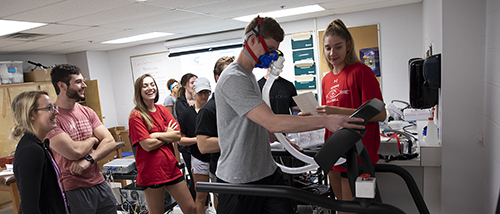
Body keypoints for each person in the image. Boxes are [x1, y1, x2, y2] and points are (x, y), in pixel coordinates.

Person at [214, 16, 365, 214]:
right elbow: (272, 121)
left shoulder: (248, 75)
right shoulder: (234, 78)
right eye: (268, 49)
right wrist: (326, 121)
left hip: (265, 172)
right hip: (240, 179)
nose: (271, 57)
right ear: (252, 40)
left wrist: (280, 138)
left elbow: (259, 125)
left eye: (274, 51)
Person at [319, 19, 386, 210]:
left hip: (357, 154)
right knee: (341, 208)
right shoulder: (327, 79)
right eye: (328, 48)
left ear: (348, 46)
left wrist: (335, 111)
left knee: (351, 210)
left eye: (338, 47)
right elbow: (329, 116)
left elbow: (380, 114)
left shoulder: (361, 71)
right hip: (334, 151)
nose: (332, 53)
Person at [46, 64, 118, 214]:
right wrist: (92, 140)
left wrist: (89, 160)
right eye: (78, 82)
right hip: (73, 188)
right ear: (62, 86)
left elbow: (110, 141)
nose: (84, 85)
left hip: (98, 181)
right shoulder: (51, 117)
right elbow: (74, 152)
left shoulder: (87, 111)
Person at [128, 74, 196, 214]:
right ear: (138, 90)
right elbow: (147, 144)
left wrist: (157, 135)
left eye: (152, 84)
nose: (150, 88)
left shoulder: (163, 110)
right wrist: (167, 135)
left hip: (171, 167)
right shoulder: (136, 116)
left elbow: (177, 135)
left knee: (191, 208)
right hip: (151, 172)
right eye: (145, 85)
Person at [10, 91, 67, 214]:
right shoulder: (31, 151)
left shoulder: (41, 145)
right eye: (49, 108)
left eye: (54, 107)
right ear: (32, 115)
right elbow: (30, 207)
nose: (56, 112)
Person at [196, 56, 235, 211]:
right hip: (222, 170)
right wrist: (237, 140)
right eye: (229, 72)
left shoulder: (239, 102)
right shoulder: (209, 110)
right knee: (226, 208)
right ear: (218, 78)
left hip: (243, 168)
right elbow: (204, 145)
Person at [178, 77, 213, 214]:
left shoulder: (213, 110)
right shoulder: (187, 114)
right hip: (198, 158)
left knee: (219, 193)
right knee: (201, 196)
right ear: (194, 93)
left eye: (207, 93)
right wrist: (198, 140)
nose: (204, 96)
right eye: (201, 93)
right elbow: (181, 139)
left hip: (216, 158)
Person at [173, 73, 198, 199]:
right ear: (184, 85)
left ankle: (206, 205)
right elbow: (188, 122)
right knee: (195, 179)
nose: (195, 86)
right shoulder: (181, 103)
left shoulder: (200, 99)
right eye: (192, 83)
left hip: (201, 144)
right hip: (188, 145)